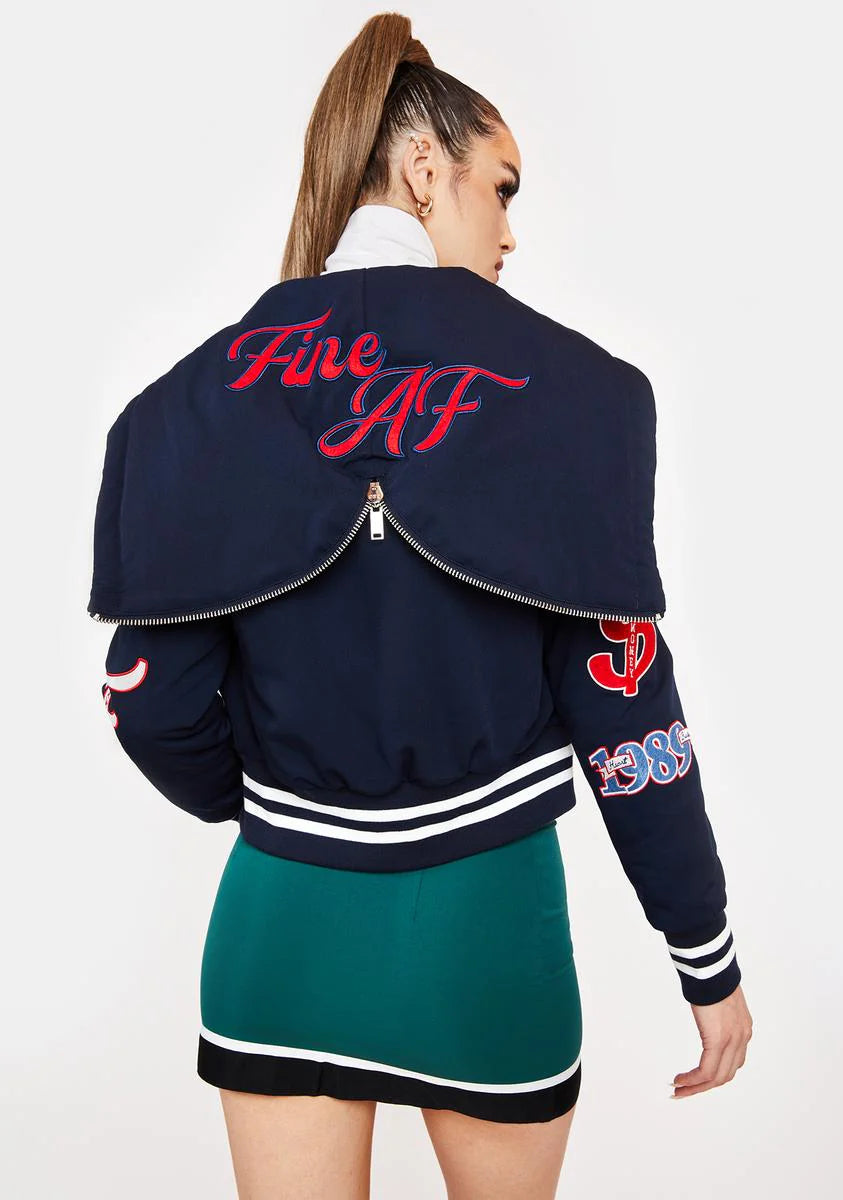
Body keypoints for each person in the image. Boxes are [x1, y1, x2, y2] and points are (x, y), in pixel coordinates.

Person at [88, 13, 753, 1199]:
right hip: (489, 934)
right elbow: (625, 711)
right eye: (501, 187)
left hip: (281, 929)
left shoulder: (183, 409)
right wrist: (703, 951)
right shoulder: (580, 396)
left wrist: (275, 809)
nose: (511, 230)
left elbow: (151, 702)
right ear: (421, 169)